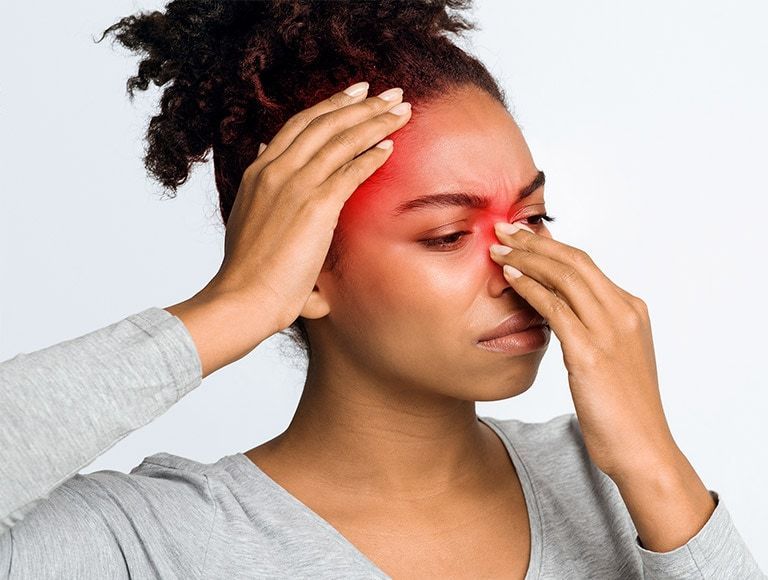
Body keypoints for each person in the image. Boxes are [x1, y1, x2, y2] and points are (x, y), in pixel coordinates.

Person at [0, 1, 764, 578]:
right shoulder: (151, 540)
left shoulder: (616, 485)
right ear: (303, 269)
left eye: (533, 215)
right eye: (446, 235)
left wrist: (657, 470)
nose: (518, 264)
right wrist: (228, 310)